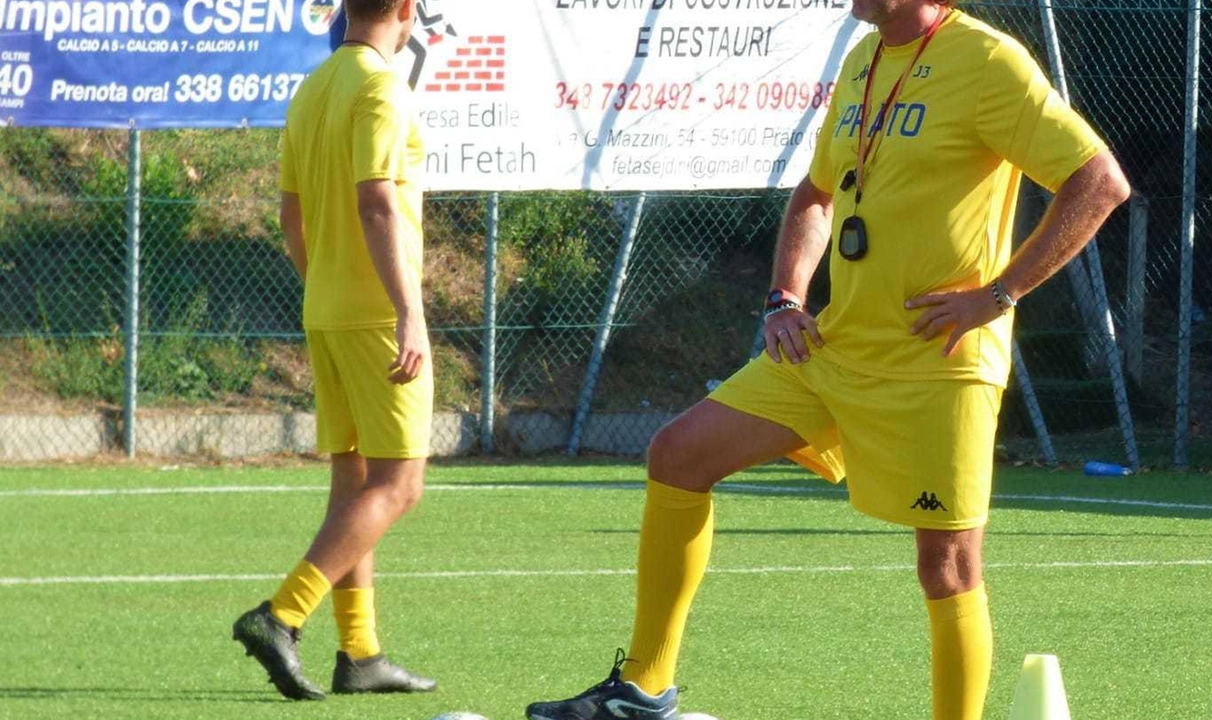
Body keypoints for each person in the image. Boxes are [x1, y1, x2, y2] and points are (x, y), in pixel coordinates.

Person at [525, 0, 1130, 717]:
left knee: (947, 567)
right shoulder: (861, 61)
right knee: (677, 455)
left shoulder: (989, 62)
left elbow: (1099, 182)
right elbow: (816, 195)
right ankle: (645, 689)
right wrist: (785, 297)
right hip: (836, 346)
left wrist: (997, 296)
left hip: (942, 360)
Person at [231, 0, 435, 701]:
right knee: (400, 484)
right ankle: (281, 615)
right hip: (378, 312)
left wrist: (323, 284)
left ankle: (362, 652)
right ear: (406, 10)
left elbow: (291, 212)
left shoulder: (313, 87)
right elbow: (377, 201)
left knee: (355, 482)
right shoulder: (382, 87)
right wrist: (409, 311)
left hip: (328, 305)